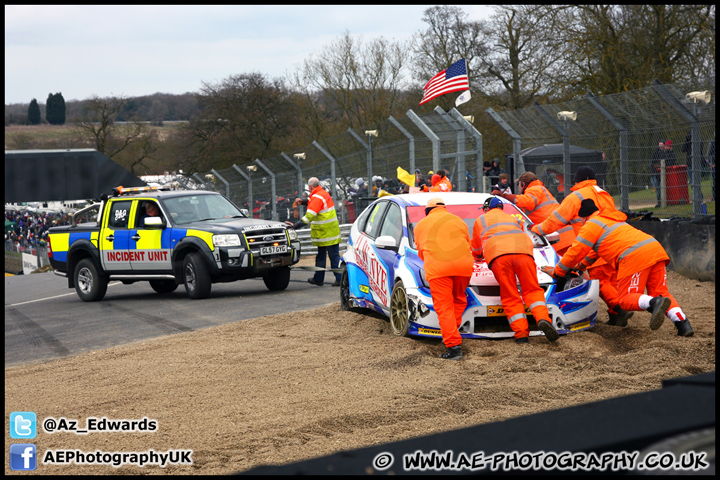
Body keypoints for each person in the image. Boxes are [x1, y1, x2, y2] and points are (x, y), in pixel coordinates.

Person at [547, 199, 694, 337]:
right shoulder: (610, 220)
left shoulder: (590, 226)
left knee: (625, 299)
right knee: (662, 292)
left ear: (584, 218)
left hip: (634, 255)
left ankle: (653, 303)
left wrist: (556, 272)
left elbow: (574, 252)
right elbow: (593, 253)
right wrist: (580, 266)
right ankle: (683, 325)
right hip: (654, 248)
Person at [531, 166, 632, 326]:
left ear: (576, 180)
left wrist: (536, 229)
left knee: (600, 280)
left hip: (592, 244)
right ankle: (617, 315)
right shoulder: (604, 194)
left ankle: (619, 308)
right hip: (612, 243)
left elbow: (555, 220)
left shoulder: (576, 196)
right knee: (611, 279)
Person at [472, 197, 559, 344]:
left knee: (511, 294)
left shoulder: (481, 220)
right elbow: (529, 232)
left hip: (498, 256)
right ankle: (543, 319)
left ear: (486, 208)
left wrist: (478, 256)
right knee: (532, 290)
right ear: (501, 208)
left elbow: (476, 249)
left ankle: (521, 334)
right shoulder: (514, 218)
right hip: (524, 252)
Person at [413, 197, 474, 360]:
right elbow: (469, 243)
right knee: (459, 300)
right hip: (464, 266)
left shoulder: (421, 225)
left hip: (439, 269)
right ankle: (451, 331)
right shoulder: (459, 221)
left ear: (427, 211)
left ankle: (453, 346)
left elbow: (421, 252)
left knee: (444, 306)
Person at [494, 171, 574, 255]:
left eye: (519, 184)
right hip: (565, 237)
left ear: (523, 184)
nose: (518, 187)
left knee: (563, 266)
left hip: (559, 240)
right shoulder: (540, 189)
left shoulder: (534, 189)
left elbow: (528, 201)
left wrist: (505, 196)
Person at [286, 177, 342, 287]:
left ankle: (324, 278)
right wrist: (304, 202)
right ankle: (325, 278)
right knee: (332, 255)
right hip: (330, 231)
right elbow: (315, 203)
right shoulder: (323, 193)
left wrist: (295, 226)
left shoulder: (316, 197)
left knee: (326, 256)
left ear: (311, 187)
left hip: (324, 233)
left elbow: (309, 216)